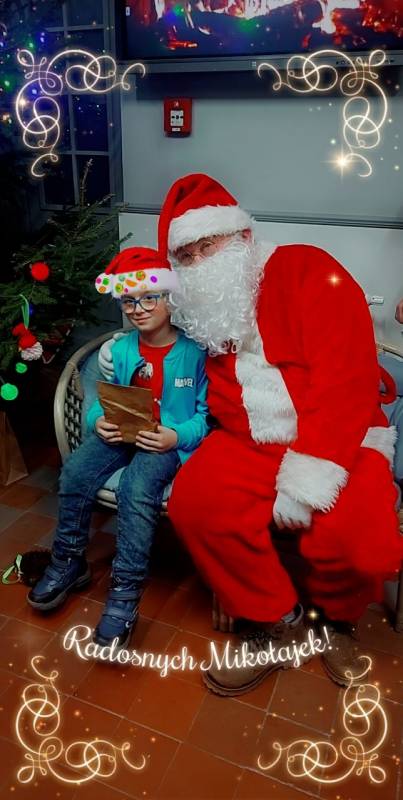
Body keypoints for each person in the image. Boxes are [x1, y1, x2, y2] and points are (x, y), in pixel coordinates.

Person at [99, 174, 403, 694]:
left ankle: (335, 621)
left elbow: (349, 381)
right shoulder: (203, 306)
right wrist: (119, 359)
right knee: (197, 504)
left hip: (340, 435)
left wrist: (306, 479)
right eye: (186, 255)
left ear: (241, 235)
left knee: (361, 542)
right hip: (248, 440)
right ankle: (275, 619)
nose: (200, 261)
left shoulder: (308, 268)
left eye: (208, 244)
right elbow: (171, 359)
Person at [28, 246, 209, 648]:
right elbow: (100, 400)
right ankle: (68, 561)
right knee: (75, 472)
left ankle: (125, 593)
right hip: (121, 433)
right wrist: (98, 421)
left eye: (149, 298)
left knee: (136, 488)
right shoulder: (121, 348)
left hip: (162, 444)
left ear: (169, 298)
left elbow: (204, 416)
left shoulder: (194, 353)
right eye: (129, 300)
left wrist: (176, 437)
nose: (138, 309)